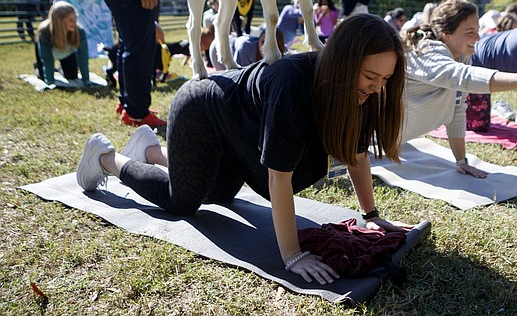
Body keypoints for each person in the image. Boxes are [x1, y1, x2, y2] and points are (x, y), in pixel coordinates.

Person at [75, 14, 412, 284]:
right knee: (184, 201)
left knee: (219, 195)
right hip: (200, 110)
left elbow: (356, 156)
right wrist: (293, 256)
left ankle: (151, 151)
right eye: (371, 76)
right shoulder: (290, 88)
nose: (377, 88)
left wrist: (371, 217)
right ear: (345, 63)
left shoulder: (359, 91)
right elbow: (279, 179)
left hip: (238, 129)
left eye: (385, 80)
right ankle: (106, 157)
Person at [402, 0, 517, 178]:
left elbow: (457, 110)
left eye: (477, 31)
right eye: (470, 32)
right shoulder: (426, 50)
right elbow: (463, 76)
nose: (477, 38)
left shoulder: (461, 56)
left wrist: (461, 161)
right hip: (369, 140)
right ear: (446, 32)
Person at [35, 2, 90, 86]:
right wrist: (50, 81)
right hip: (47, 53)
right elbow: (47, 58)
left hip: (66, 52)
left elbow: (83, 56)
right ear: (58, 21)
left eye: (75, 19)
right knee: (42, 76)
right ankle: (38, 67)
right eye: (70, 20)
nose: (74, 23)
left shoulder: (79, 31)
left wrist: (86, 80)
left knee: (72, 76)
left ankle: (60, 68)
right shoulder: (44, 32)